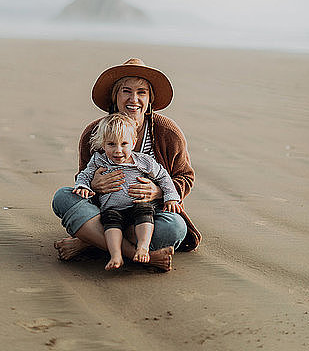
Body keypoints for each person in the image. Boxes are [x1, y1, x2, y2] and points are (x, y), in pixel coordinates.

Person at [52, 58, 202, 272]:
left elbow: (186, 177)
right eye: (126, 91)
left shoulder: (166, 132)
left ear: (150, 99)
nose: (134, 99)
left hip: (148, 215)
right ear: (115, 96)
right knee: (62, 197)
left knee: (175, 228)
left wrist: (158, 191)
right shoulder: (94, 133)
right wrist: (93, 186)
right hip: (106, 211)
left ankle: (88, 242)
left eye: (142, 92)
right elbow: (82, 178)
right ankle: (139, 254)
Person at [73, 113, 181, 270]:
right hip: (112, 209)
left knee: (146, 212)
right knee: (110, 222)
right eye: (111, 144)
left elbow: (163, 176)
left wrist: (170, 197)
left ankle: (143, 247)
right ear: (103, 144)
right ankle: (116, 255)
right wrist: (84, 186)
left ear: (133, 142)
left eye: (124, 144)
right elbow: (85, 174)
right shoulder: (99, 160)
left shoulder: (143, 161)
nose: (118, 151)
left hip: (137, 206)